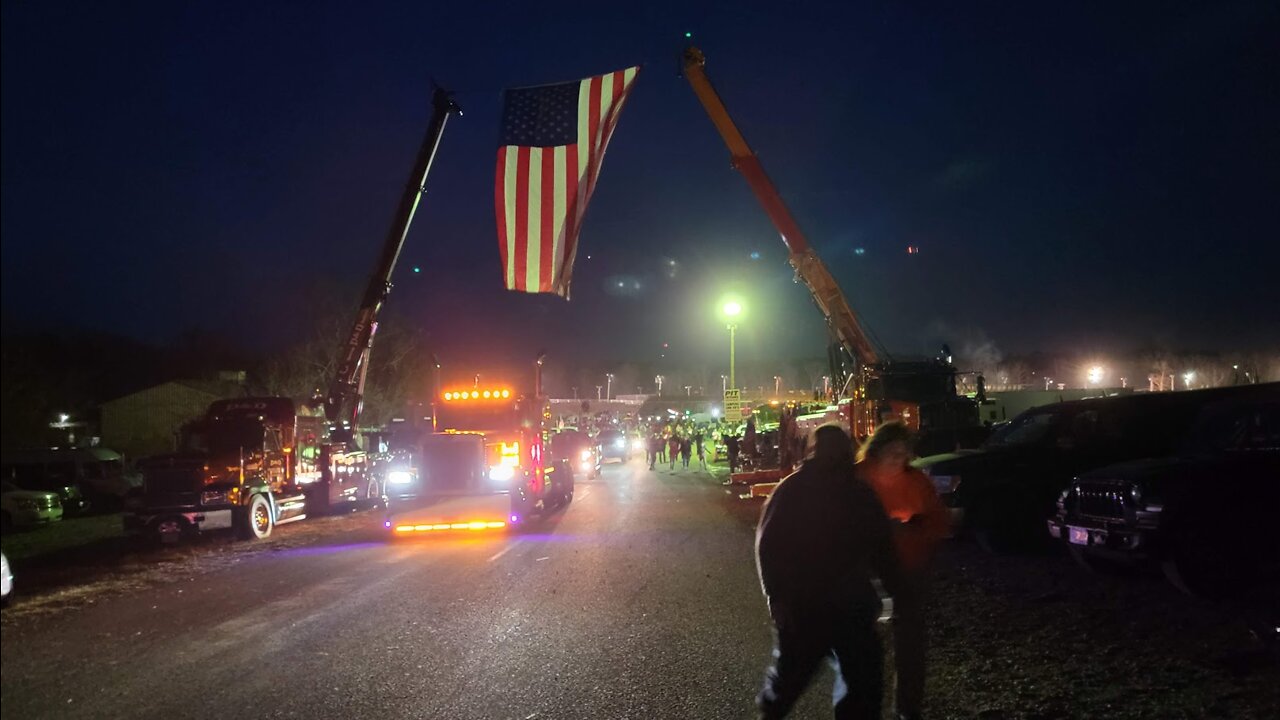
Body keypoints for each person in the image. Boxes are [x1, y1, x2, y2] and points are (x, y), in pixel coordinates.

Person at [756, 424, 902, 720]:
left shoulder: (793, 489)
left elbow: (768, 547)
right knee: (857, 685)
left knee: (790, 683)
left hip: (812, 607)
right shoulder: (856, 492)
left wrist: (777, 597)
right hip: (838, 606)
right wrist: (895, 588)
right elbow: (883, 547)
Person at [856, 421, 949, 720]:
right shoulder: (858, 478)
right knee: (863, 646)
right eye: (891, 453)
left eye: (903, 453)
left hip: (910, 570)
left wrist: (921, 527)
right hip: (866, 572)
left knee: (910, 643)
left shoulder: (917, 481)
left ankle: (908, 707)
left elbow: (938, 520)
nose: (898, 459)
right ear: (877, 450)